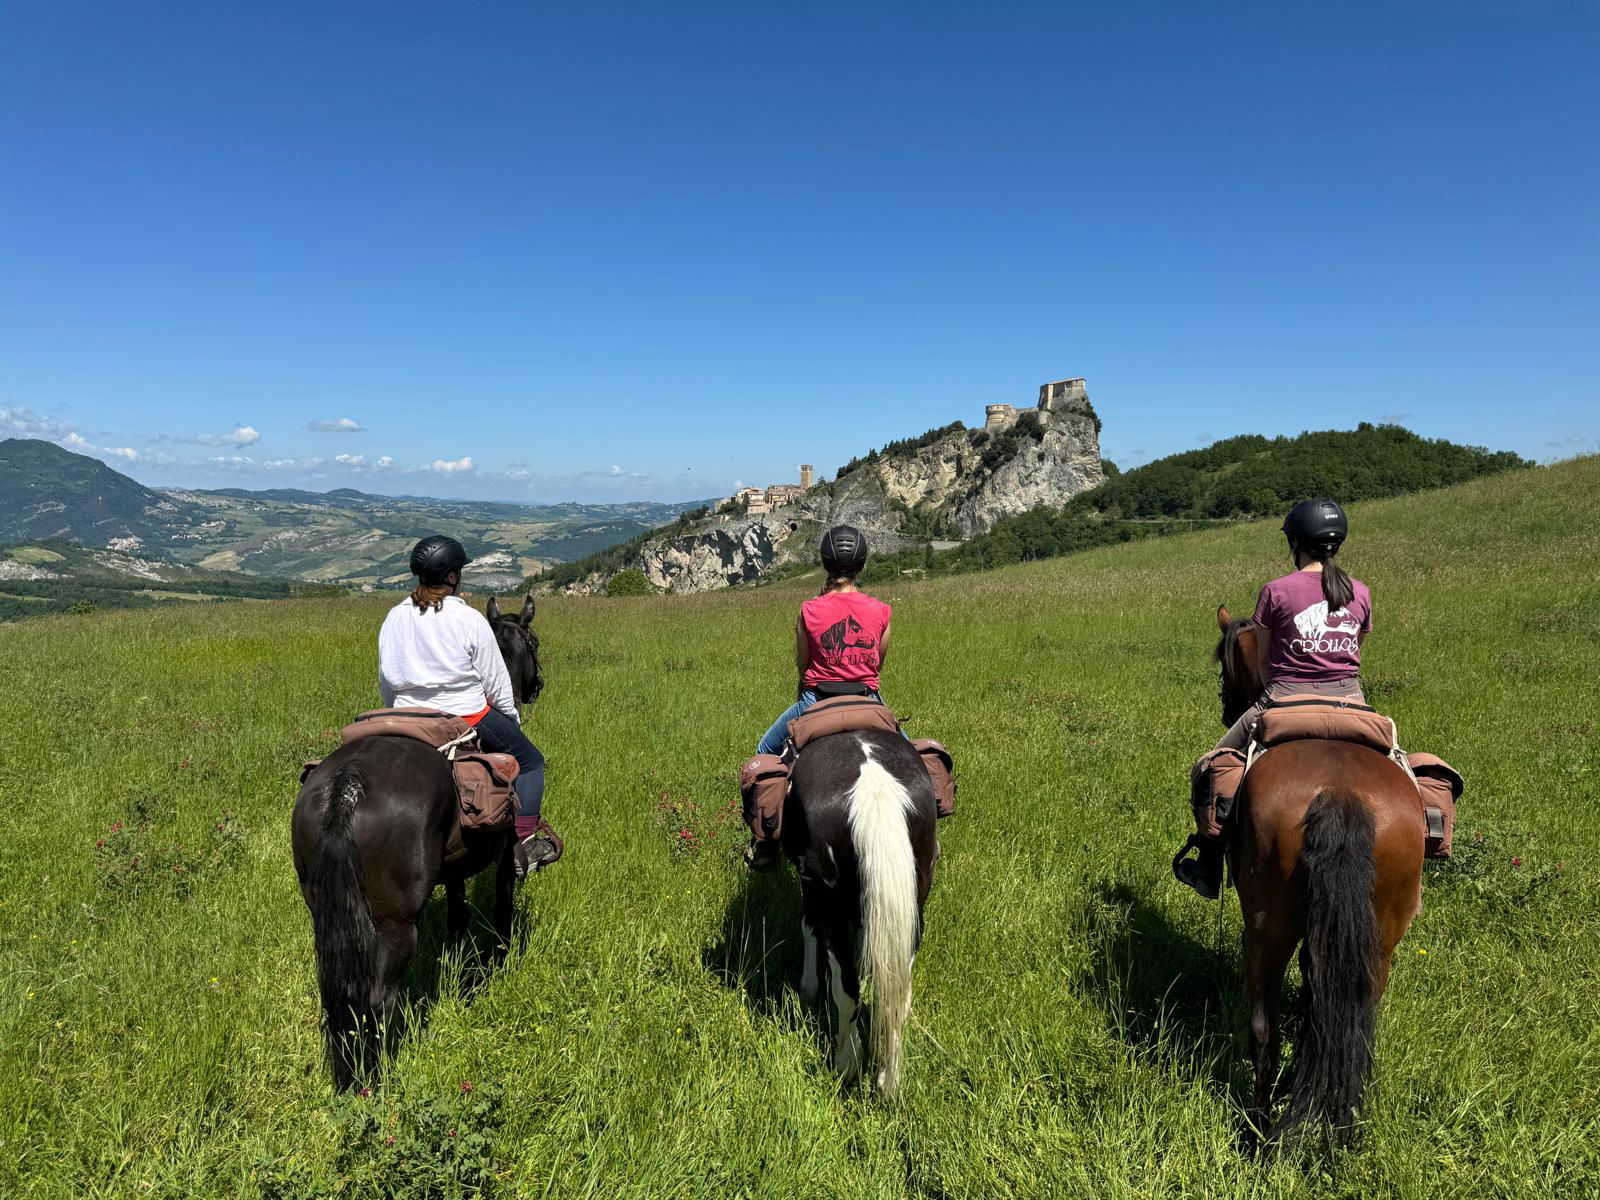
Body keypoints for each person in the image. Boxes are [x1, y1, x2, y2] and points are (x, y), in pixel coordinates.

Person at [1173, 498, 1371, 898]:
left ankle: (1209, 863)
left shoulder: (1276, 590)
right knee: (1400, 767)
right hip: (1353, 702)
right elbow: (1356, 653)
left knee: (1208, 767)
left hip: (1283, 698)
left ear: (1295, 542)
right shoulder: (1361, 592)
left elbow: (1263, 664)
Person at [379, 535, 562, 876]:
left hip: (403, 716)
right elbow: (496, 683)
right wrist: (510, 719)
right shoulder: (468, 619)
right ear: (451, 576)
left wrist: (397, 711)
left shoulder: (394, 617)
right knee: (533, 762)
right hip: (466, 716)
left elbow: (387, 678)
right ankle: (526, 843)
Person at [747, 525, 892, 868]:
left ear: (826, 563)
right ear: (861, 564)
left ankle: (766, 843)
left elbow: (803, 663)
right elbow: (878, 663)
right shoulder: (882, 610)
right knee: (912, 755)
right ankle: (931, 807)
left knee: (765, 751)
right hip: (868, 700)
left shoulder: (809, 609)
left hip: (816, 700)